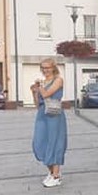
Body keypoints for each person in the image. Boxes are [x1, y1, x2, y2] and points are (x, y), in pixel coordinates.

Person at [31, 57, 67, 187]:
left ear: (53, 68)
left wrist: (40, 87)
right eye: (43, 68)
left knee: (54, 142)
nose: (45, 70)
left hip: (54, 114)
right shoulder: (43, 82)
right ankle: (52, 172)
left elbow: (47, 94)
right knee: (39, 143)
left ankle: (56, 175)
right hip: (42, 114)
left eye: (47, 67)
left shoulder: (58, 80)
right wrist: (34, 92)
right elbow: (37, 103)